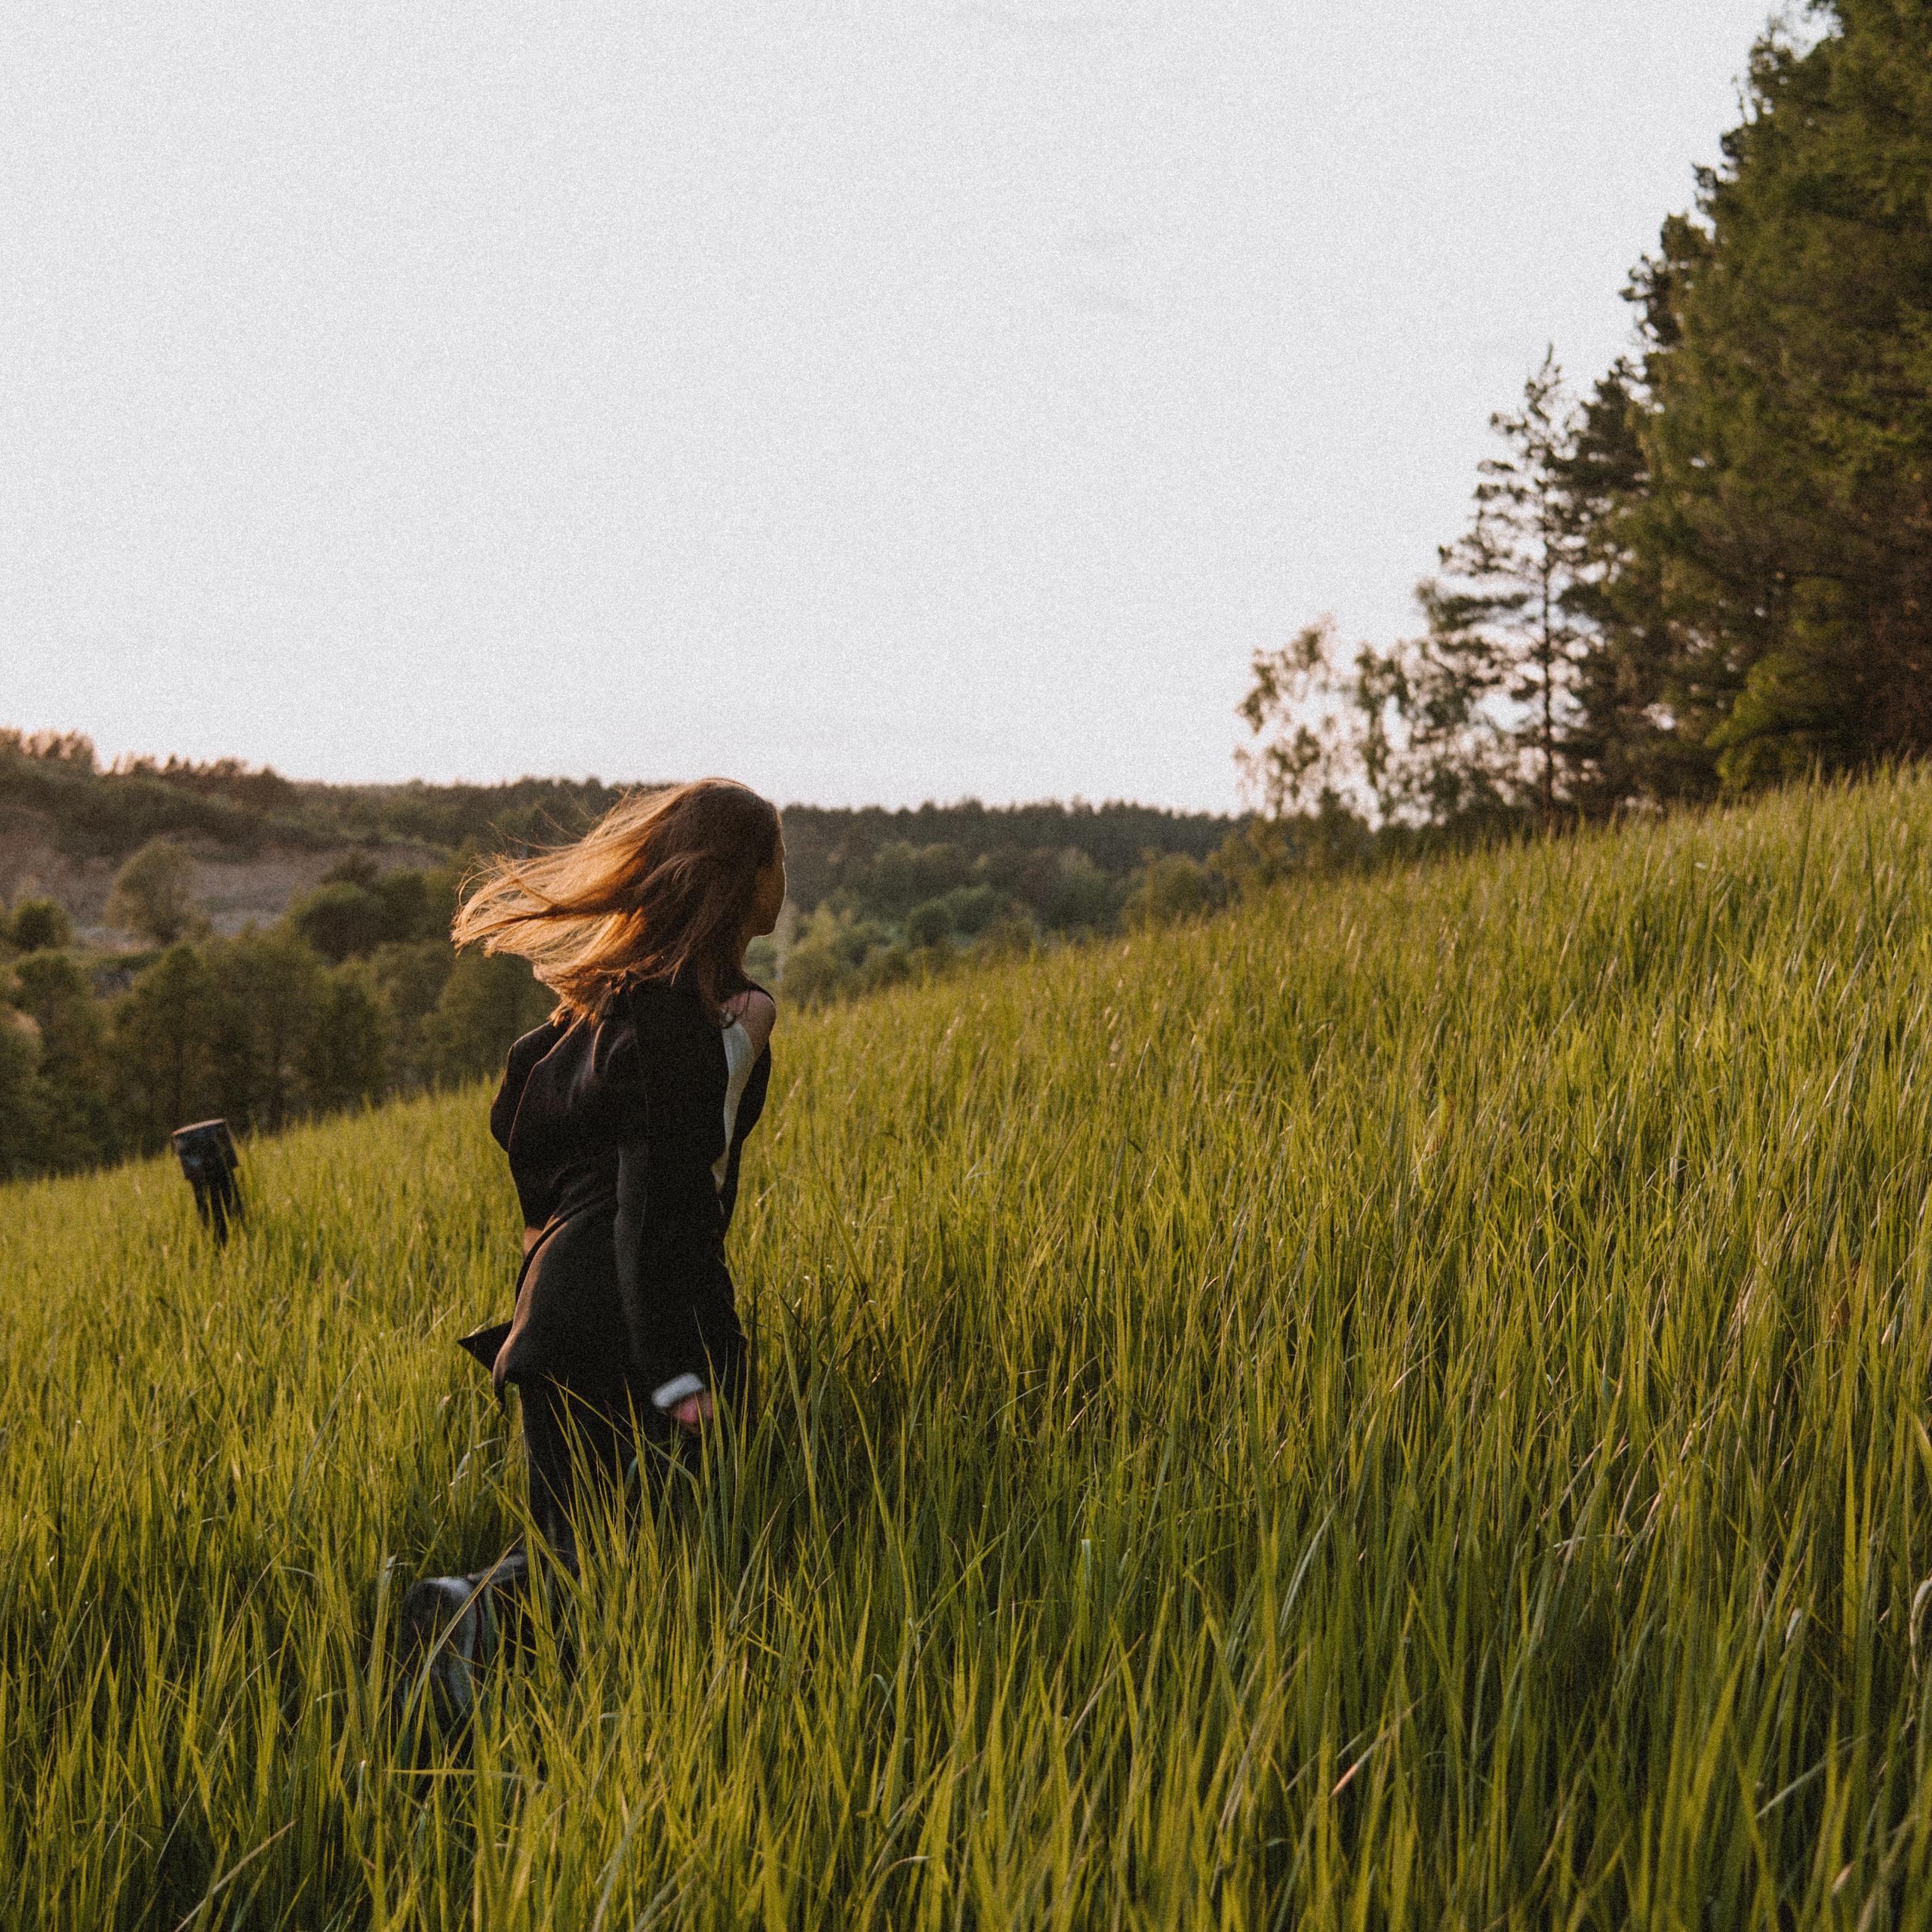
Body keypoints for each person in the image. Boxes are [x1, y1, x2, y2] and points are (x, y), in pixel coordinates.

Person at [395, 779, 784, 1720]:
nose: (785, 882)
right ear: (745, 881)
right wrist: (678, 1374)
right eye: (778, 862)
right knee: (628, 1551)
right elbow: (665, 1207)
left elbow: (520, 1124)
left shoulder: (580, 1021)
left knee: (580, 1540)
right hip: (629, 1318)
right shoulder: (683, 1023)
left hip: (551, 1321)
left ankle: (479, 1687)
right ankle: (475, 1613)